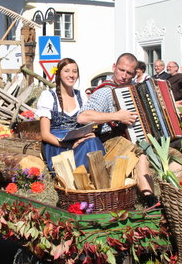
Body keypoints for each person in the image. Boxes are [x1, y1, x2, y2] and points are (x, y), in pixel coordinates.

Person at [78, 53, 153, 195]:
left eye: (129, 73)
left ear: (135, 74)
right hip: (110, 140)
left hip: (134, 139)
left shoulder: (135, 89)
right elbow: (82, 117)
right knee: (140, 156)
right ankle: (150, 200)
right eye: (121, 70)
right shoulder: (105, 91)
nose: (124, 75)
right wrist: (117, 116)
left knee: (173, 155)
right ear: (114, 67)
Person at [36, 58, 104, 171]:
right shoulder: (48, 96)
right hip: (57, 145)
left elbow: (88, 122)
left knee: (93, 141)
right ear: (59, 74)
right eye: (67, 71)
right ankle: (84, 176)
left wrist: (90, 133)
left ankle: (91, 177)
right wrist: (68, 145)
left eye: (75, 71)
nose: (71, 75)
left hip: (79, 141)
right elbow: (45, 134)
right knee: (91, 146)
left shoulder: (81, 96)